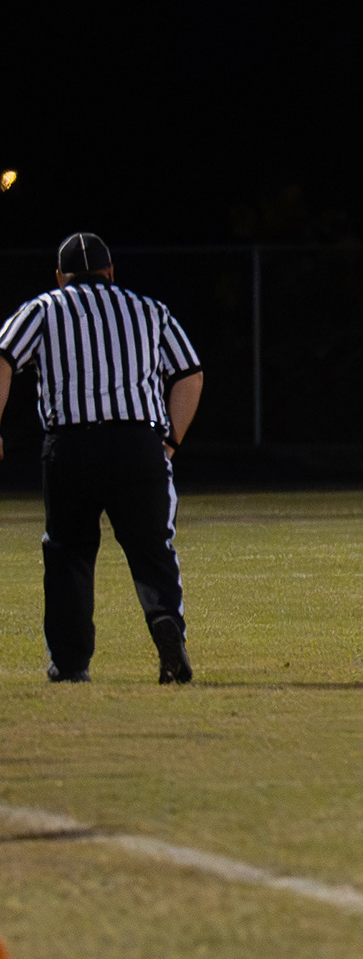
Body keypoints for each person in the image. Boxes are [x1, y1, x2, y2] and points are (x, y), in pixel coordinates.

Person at [0, 233, 204, 683]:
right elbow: (189, 374)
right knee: (152, 547)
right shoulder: (149, 310)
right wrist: (170, 442)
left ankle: (71, 664)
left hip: (71, 445)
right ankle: (165, 623)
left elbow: (3, 358)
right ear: (111, 272)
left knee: (68, 552)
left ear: (60, 276)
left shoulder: (43, 309)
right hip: (138, 442)